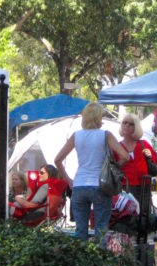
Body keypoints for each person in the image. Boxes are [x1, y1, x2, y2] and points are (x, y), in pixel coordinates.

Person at [55, 102, 129, 241]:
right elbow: (126, 156)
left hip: (79, 185)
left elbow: (57, 159)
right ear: (98, 118)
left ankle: (82, 260)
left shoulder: (76, 136)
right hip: (100, 185)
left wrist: (69, 180)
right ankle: (100, 259)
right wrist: (113, 168)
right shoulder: (106, 135)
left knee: (80, 231)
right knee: (101, 230)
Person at [116, 113, 157, 202]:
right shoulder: (117, 146)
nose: (127, 126)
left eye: (131, 124)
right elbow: (113, 166)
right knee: (125, 215)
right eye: (124, 123)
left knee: (143, 215)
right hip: (124, 187)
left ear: (136, 127)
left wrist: (150, 156)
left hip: (144, 187)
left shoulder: (143, 144)